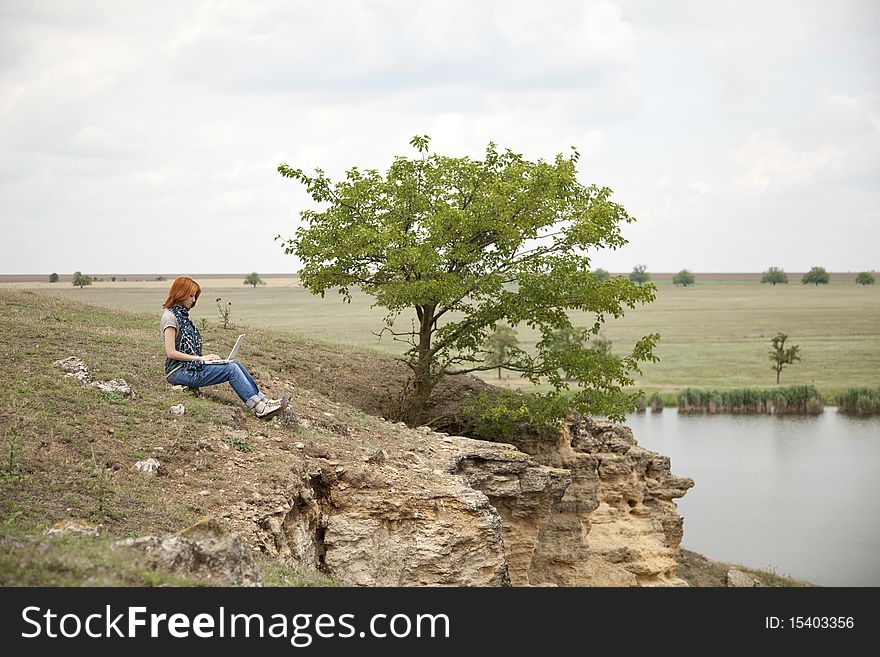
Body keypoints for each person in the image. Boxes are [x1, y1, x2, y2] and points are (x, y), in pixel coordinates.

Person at [160, 276, 288, 420]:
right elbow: (170, 352)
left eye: (195, 296)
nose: (194, 300)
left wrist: (207, 360)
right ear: (180, 293)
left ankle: (264, 401)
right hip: (178, 372)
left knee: (234, 364)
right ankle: (258, 408)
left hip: (189, 367)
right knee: (230, 369)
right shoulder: (170, 317)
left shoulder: (182, 316)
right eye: (191, 295)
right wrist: (201, 358)